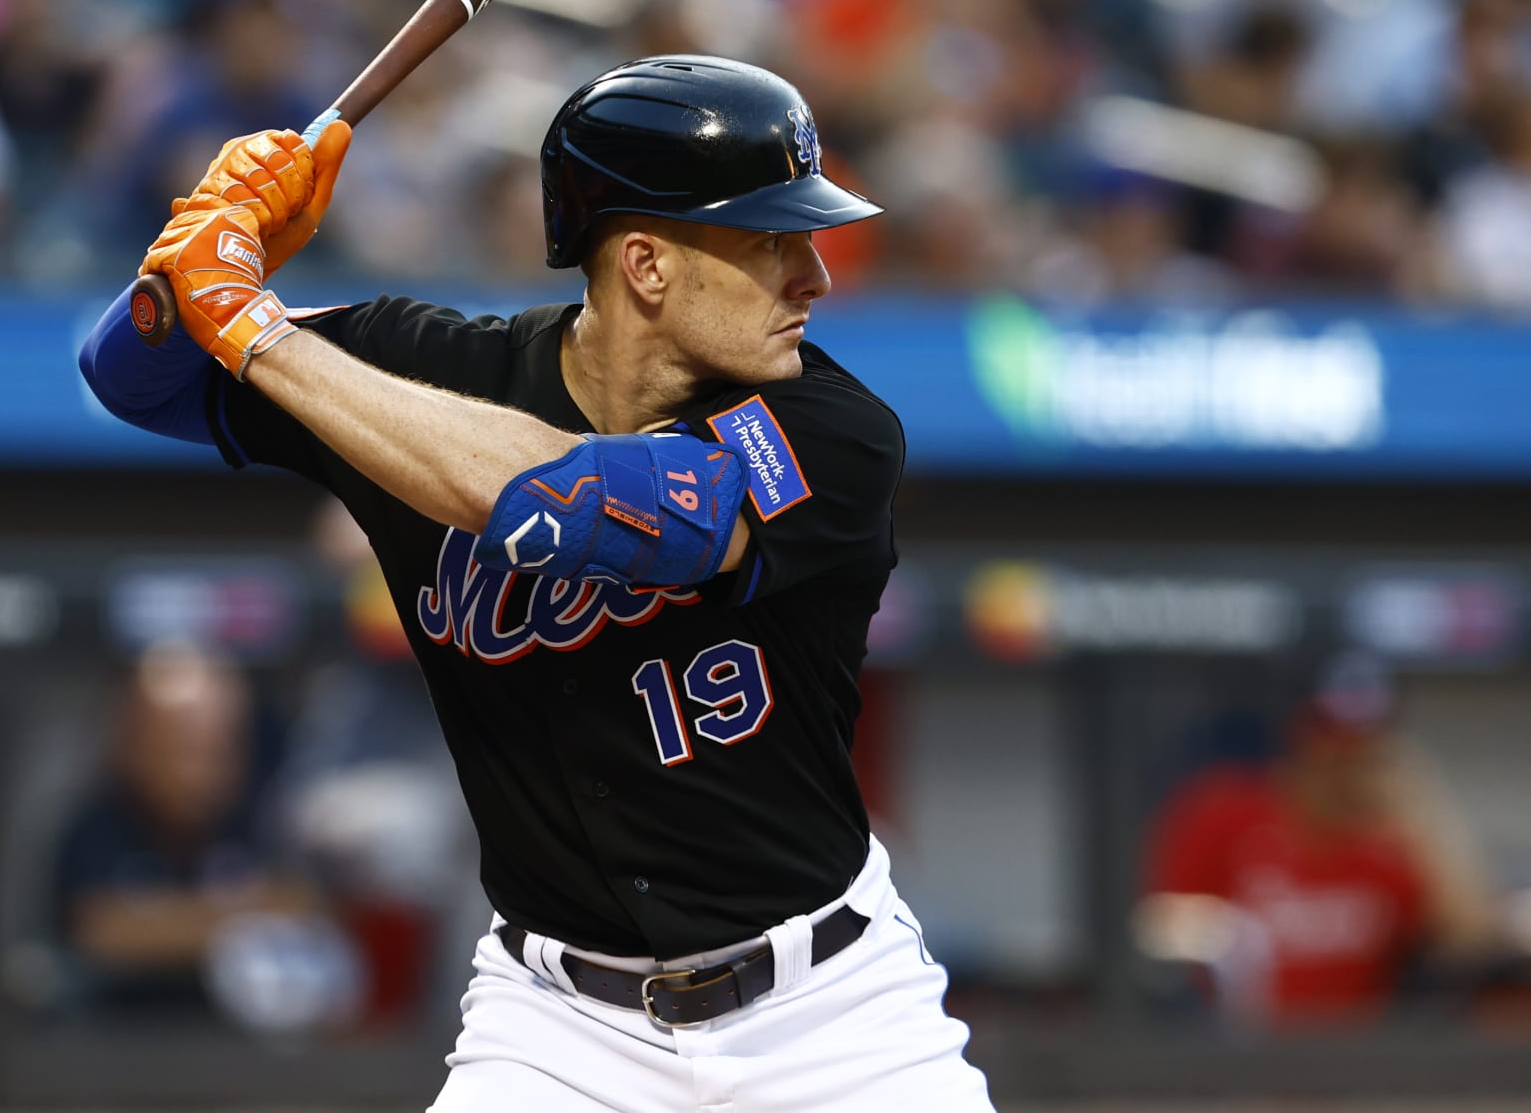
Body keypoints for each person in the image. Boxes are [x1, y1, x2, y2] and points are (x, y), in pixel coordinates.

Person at [80, 55, 994, 1110]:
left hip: (829, 1012)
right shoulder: (420, 368)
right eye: (771, 242)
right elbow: (129, 378)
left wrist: (254, 329)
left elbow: (565, 505)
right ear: (646, 264)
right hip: (557, 1026)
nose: (816, 277)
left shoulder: (832, 429)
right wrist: (201, 249)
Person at [1139, 655, 1497, 1029]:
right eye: (1329, 739)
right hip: (1236, 1061)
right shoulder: (1224, 811)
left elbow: (1472, 939)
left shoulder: (1392, 843)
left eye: (1363, 746)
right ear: (1300, 733)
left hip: (1356, 1065)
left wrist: (1423, 812)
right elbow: (1156, 934)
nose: (1344, 759)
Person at [51, 641, 319, 1019]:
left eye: (217, 748)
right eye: (178, 748)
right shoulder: (97, 826)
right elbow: (99, 930)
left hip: (239, 1053)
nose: (197, 770)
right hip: (112, 1042)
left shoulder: (261, 825)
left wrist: (167, 923)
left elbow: (306, 909)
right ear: (133, 744)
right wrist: (243, 917)